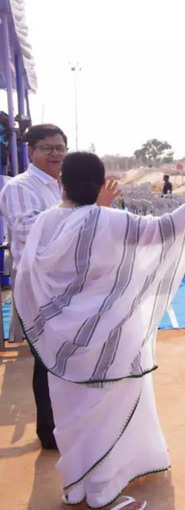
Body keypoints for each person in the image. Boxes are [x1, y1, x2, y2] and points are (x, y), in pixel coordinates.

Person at [13, 152, 185, 509]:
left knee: (72, 417)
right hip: (113, 342)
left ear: (61, 183)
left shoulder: (45, 223)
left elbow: (26, 276)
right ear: (102, 185)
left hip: (61, 347)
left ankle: (75, 488)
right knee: (107, 417)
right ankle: (102, 494)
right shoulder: (112, 221)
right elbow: (169, 228)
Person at [0, 124, 72, 450]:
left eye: (60, 147)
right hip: (38, 288)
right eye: (47, 148)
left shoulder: (61, 188)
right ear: (31, 152)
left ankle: (67, 422)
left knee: (65, 357)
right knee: (47, 359)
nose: (55, 154)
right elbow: (29, 234)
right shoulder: (20, 187)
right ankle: (50, 431)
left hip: (63, 284)